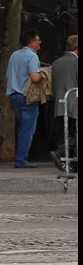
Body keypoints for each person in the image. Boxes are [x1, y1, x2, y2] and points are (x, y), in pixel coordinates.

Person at [5, 29, 44, 168]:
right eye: (38, 39)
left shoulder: (14, 55)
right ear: (32, 42)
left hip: (14, 96)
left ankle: (20, 157)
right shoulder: (32, 56)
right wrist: (44, 74)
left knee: (21, 127)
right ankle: (21, 159)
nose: (40, 42)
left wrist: (8, 98)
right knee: (27, 130)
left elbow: (8, 78)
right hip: (27, 97)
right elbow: (34, 77)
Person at [51, 34, 78, 172]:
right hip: (75, 104)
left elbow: (53, 86)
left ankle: (69, 160)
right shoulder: (75, 62)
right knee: (75, 133)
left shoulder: (56, 63)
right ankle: (61, 152)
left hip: (61, 104)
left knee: (66, 133)